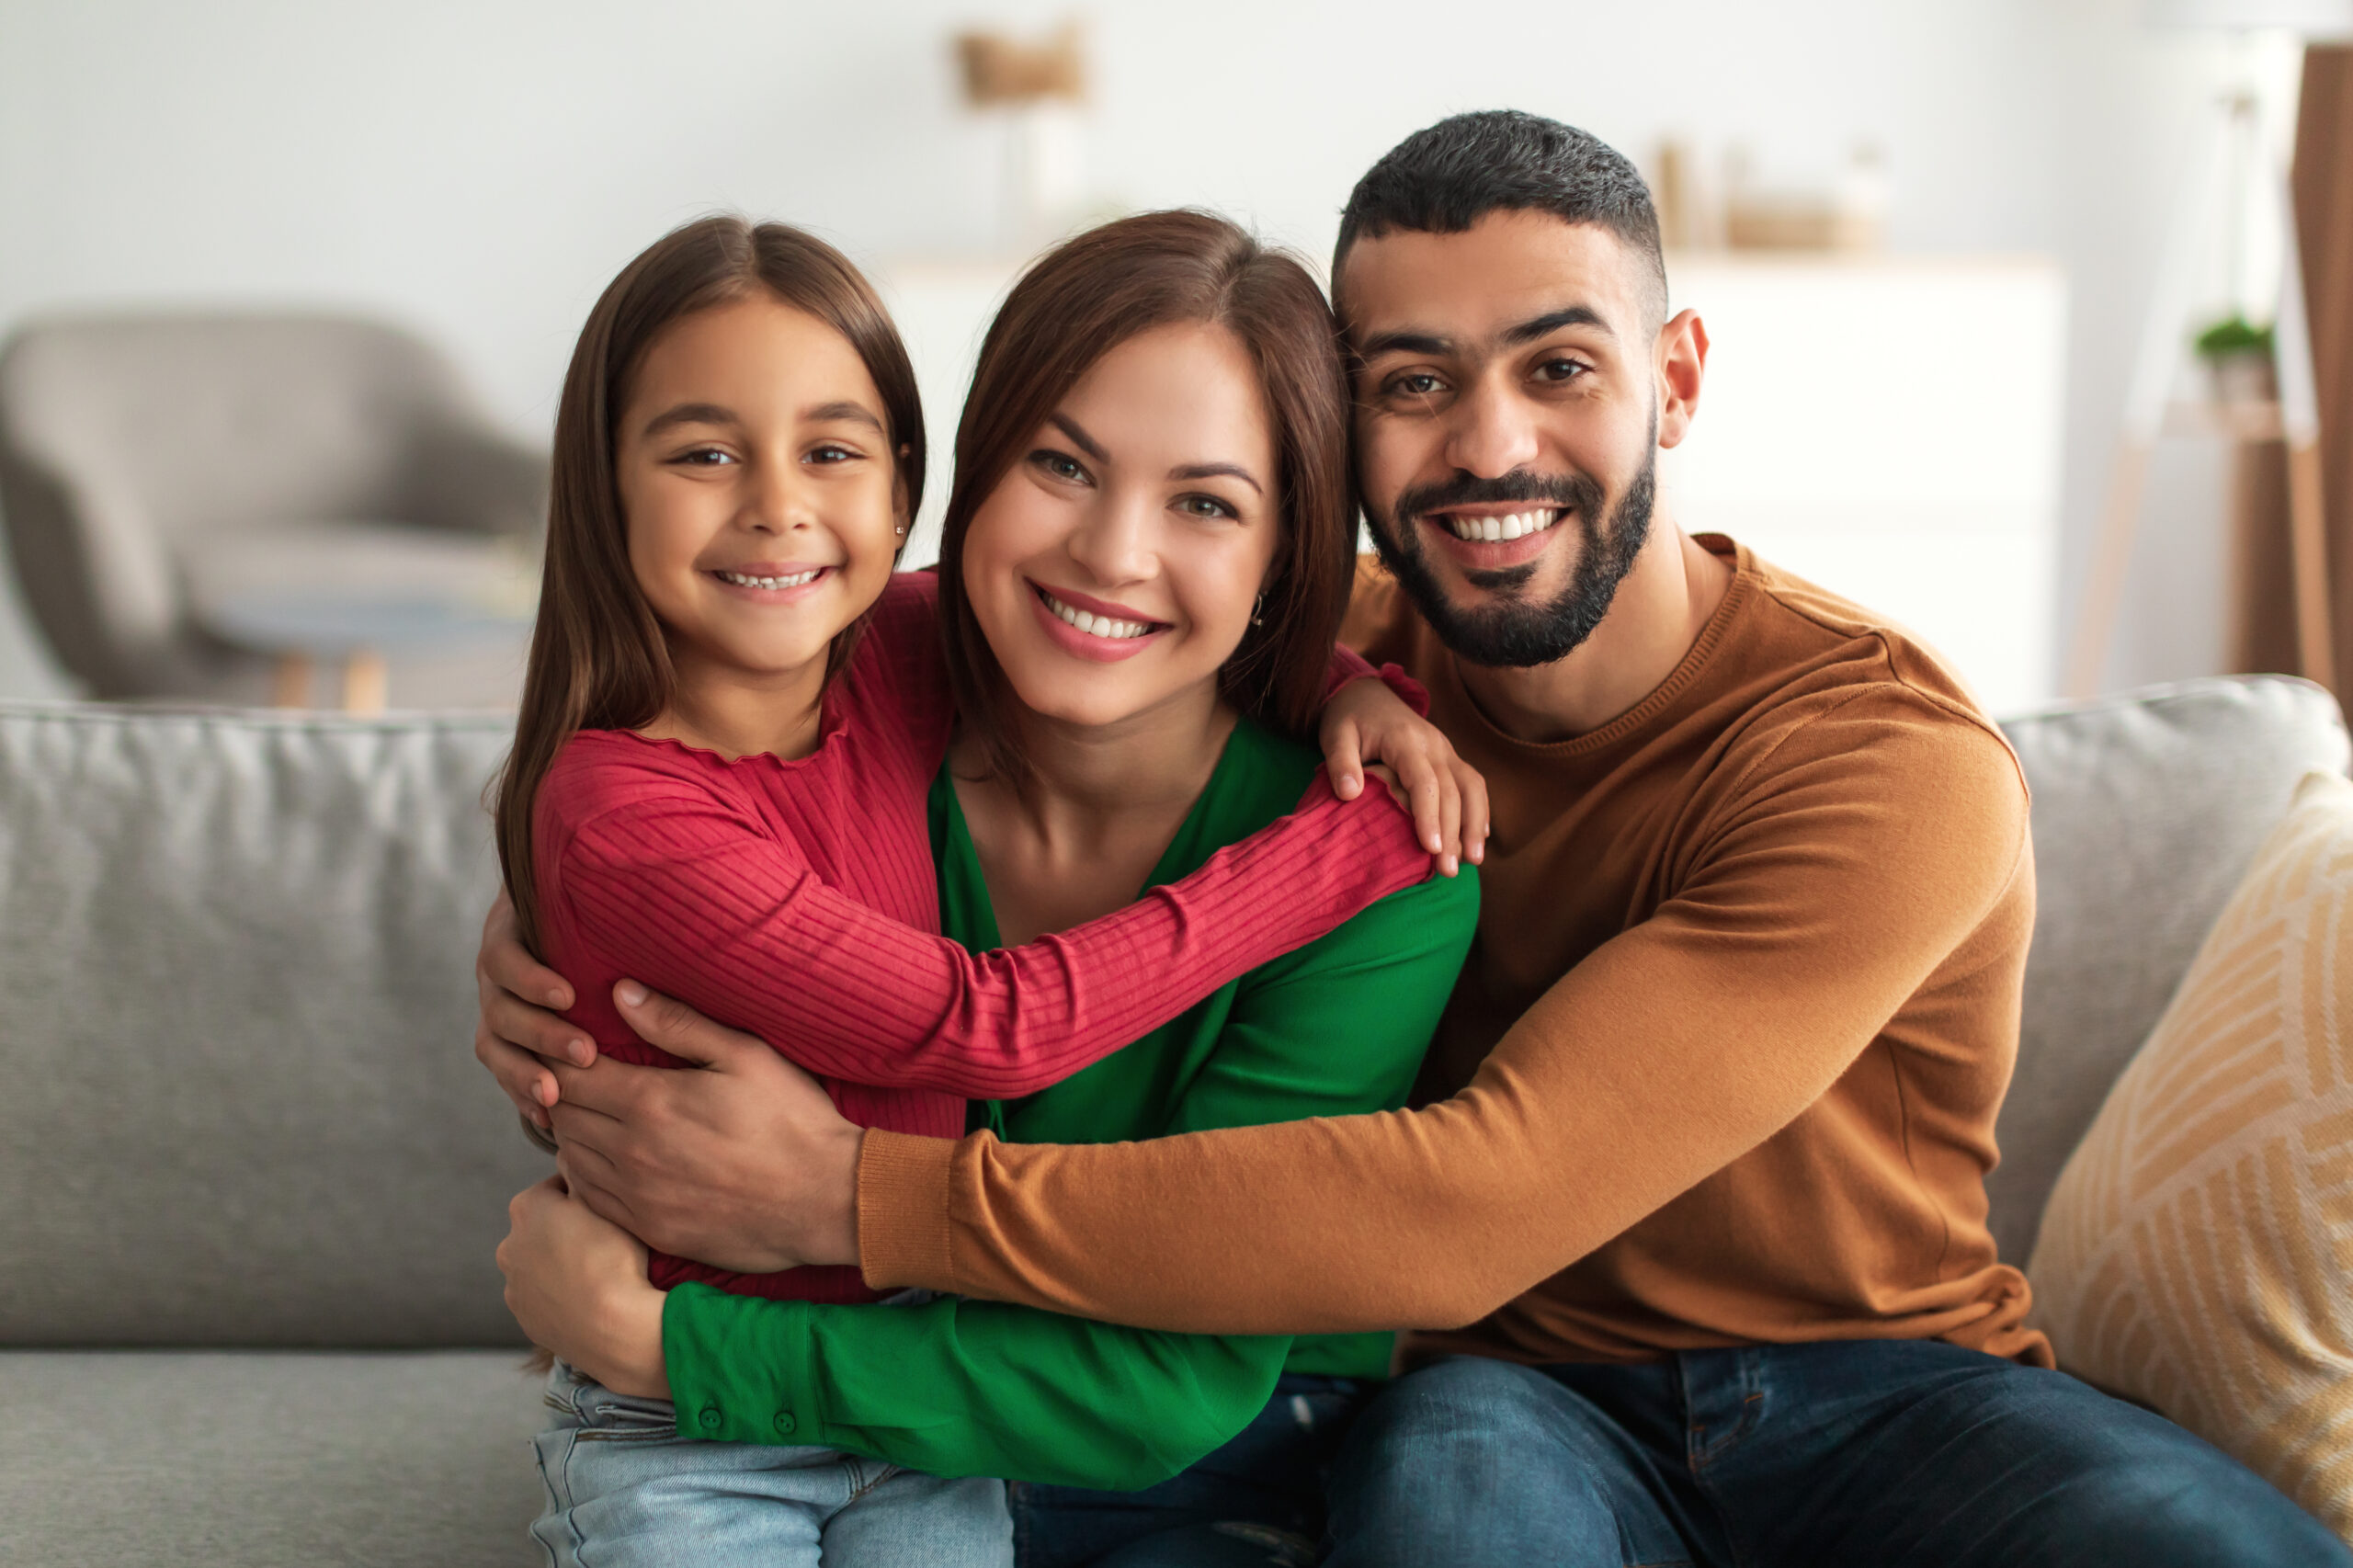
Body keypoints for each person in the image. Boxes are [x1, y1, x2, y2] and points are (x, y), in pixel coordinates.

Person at [481, 114, 2353, 1565]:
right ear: (1349, 451)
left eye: (1556, 368)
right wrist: (562, 929)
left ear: (1674, 379)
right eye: (1411, 386)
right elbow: (779, 652)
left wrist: (839, 1200)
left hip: (1874, 1374)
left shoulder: (1875, 759)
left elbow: (1468, 1197)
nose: (1485, 446)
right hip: (1500, 1394)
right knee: (1451, 1512)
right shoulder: (1262, 647)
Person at [492, 212, 1478, 1568]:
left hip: (1182, 1455)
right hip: (792, 1431)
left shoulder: (1385, 865)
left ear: (1286, 558)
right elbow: (672, 797)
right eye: (1062, 465)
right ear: (964, 473)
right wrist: (534, 935)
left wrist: (669, 1342)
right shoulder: (880, 675)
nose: (1113, 553)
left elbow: (1169, 1384)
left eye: (1206, 502)